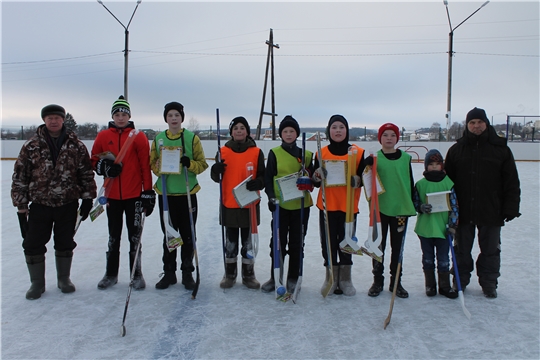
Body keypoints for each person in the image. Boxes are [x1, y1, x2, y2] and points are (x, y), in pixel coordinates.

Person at [11, 104, 97, 300]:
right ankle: (37, 283)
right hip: (40, 204)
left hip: (67, 203)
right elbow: (20, 176)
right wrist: (21, 204)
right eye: (49, 118)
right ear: (44, 120)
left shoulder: (76, 145)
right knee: (33, 243)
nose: (53, 121)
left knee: (65, 242)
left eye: (57, 117)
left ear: (63, 119)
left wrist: (87, 199)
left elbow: (85, 173)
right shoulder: (31, 145)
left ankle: (63, 279)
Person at [445, 107, 521, 299]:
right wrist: (446, 208)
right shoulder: (456, 150)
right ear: (467, 125)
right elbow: (446, 183)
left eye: (479, 122)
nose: (476, 126)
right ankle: (460, 281)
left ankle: (489, 283)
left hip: (491, 209)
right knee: (462, 249)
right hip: (463, 210)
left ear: (486, 124)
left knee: (491, 250)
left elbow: (511, 182)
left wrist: (511, 207)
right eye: (472, 123)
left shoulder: (501, 150)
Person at [91, 95, 155, 291]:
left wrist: (148, 192)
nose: (120, 118)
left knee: (134, 236)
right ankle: (111, 274)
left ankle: (136, 274)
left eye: (124, 114)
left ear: (129, 116)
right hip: (112, 196)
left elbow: (145, 166)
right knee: (114, 235)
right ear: (112, 115)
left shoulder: (139, 136)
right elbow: (94, 160)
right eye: (117, 114)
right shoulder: (103, 136)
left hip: (134, 195)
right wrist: (104, 167)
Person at [150, 102, 208, 290]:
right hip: (166, 194)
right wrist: (159, 166)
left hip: (187, 193)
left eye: (177, 115)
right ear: (165, 118)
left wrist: (188, 164)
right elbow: (152, 165)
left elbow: (202, 164)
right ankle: (169, 273)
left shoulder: (191, 139)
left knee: (188, 235)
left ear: (182, 117)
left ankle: (187, 272)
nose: (173, 118)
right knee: (170, 235)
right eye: (170, 115)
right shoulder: (158, 139)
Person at [311, 115, 365, 296]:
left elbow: (366, 179)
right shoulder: (321, 153)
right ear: (329, 131)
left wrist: (358, 180)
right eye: (334, 127)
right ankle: (331, 277)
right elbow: (315, 182)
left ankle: (345, 278)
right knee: (328, 242)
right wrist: (317, 175)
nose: (338, 130)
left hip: (348, 206)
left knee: (347, 242)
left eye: (342, 127)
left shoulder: (358, 152)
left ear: (347, 130)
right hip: (327, 206)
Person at [210, 116, 265, 290]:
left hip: (249, 205)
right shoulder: (223, 151)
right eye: (236, 128)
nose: (239, 131)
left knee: (248, 243)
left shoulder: (256, 152)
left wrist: (259, 183)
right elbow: (215, 178)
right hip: (229, 203)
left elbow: (263, 176)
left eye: (242, 128)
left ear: (247, 131)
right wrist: (215, 170)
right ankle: (230, 273)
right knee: (231, 242)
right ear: (231, 132)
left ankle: (249, 275)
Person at [262, 115, 314, 294]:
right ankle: (275, 276)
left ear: (297, 133)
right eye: (285, 131)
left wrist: (310, 180)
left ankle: (293, 277)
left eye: (292, 131)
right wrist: (270, 197)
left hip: (300, 206)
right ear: (281, 134)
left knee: (296, 243)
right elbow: (268, 178)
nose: (289, 134)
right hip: (280, 206)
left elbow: (313, 179)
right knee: (277, 242)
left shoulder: (305, 154)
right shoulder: (275, 153)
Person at [365, 123, 416, 298]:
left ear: (397, 138)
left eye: (392, 135)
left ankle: (396, 282)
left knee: (397, 247)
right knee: (378, 246)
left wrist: (414, 203)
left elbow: (410, 182)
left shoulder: (406, 158)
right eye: (385, 135)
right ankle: (377, 281)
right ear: (380, 138)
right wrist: (366, 165)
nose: (389, 138)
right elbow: (363, 179)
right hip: (380, 209)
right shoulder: (375, 158)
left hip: (400, 209)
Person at [413, 149, 458, 299]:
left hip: (443, 228)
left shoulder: (448, 183)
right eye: (430, 164)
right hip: (426, 228)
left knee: (444, 259)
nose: (433, 167)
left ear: (441, 166)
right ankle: (430, 284)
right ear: (426, 166)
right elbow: (415, 202)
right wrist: (420, 207)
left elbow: (454, 205)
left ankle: (444, 286)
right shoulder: (420, 184)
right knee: (428, 257)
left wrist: (453, 224)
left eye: (437, 164)